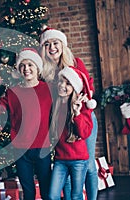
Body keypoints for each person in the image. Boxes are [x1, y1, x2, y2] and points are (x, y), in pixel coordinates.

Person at [39, 27, 98, 200]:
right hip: (62, 122)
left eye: (55, 43)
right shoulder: (44, 72)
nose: (52, 47)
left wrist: (81, 105)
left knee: (89, 165)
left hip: (82, 117)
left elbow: (89, 86)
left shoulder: (75, 62)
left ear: (62, 45)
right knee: (66, 165)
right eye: (47, 44)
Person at [0, 48, 52, 200]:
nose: (26, 69)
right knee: (28, 191)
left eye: (30, 65)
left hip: (42, 147)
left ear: (37, 68)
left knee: (46, 190)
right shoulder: (13, 92)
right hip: (20, 148)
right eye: (22, 65)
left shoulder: (48, 89)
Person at [48, 66, 94, 200]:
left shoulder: (83, 106)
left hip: (78, 160)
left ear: (74, 87)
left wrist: (77, 114)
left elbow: (84, 133)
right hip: (60, 160)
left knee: (76, 195)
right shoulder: (55, 106)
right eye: (61, 81)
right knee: (52, 195)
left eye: (68, 83)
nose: (62, 85)